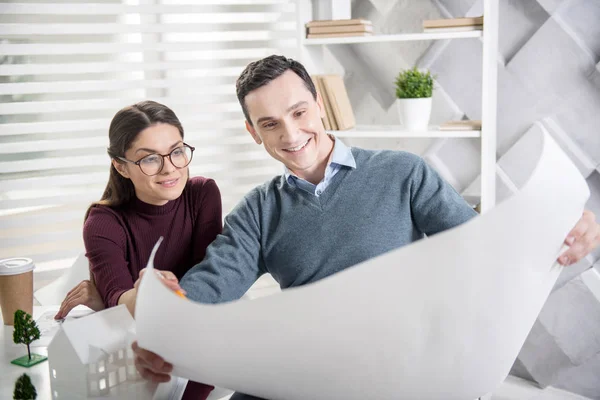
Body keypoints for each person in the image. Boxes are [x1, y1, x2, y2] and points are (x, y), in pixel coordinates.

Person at [132, 56, 600, 400]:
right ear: (253, 132)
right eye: (270, 124)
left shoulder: (403, 173)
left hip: (403, 369)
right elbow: (211, 288)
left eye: (298, 113)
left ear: (319, 106)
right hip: (308, 373)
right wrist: (164, 327)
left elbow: (482, 251)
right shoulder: (257, 210)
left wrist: (558, 230)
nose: (291, 136)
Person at [55, 100, 221, 400]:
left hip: (200, 353)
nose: (169, 167)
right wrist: (138, 297)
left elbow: (208, 292)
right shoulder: (103, 222)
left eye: (177, 151)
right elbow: (122, 298)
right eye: (149, 159)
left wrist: (111, 303)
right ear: (121, 166)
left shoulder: (202, 194)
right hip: (133, 363)